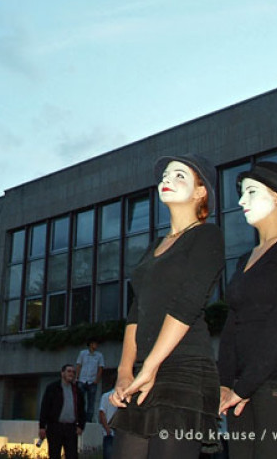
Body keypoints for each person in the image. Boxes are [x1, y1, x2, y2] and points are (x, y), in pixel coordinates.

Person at [110, 154, 225, 458]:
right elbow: (137, 309)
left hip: (184, 369)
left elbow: (187, 304)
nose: (167, 180)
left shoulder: (207, 236)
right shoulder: (153, 248)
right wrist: (124, 371)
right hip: (145, 370)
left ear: (201, 192)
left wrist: (150, 365)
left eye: (179, 176)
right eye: (165, 176)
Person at [217, 161, 277, 458]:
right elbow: (232, 323)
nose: (240, 201)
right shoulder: (244, 258)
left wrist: (244, 386)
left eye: (250, 192)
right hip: (241, 388)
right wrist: (225, 384)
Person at [39, 364, 86, 459]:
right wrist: (42, 426)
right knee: (54, 454)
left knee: (72, 455)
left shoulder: (77, 390)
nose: (71, 374)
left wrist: (81, 426)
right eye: (69, 371)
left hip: (71, 428)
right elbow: (45, 407)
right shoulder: (52, 388)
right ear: (62, 373)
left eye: (73, 372)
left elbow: (81, 409)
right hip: (55, 427)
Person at [76, 338, 105, 422]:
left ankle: (88, 420)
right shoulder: (83, 353)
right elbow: (79, 365)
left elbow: (100, 368)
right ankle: (80, 418)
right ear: (90, 344)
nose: (96, 345)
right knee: (80, 400)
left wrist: (97, 379)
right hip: (82, 379)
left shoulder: (99, 355)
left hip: (92, 381)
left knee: (91, 402)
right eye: (94, 344)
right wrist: (77, 377)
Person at [99, 388, 118, 459]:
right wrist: (107, 429)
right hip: (110, 434)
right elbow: (102, 413)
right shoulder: (106, 396)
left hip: (121, 435)